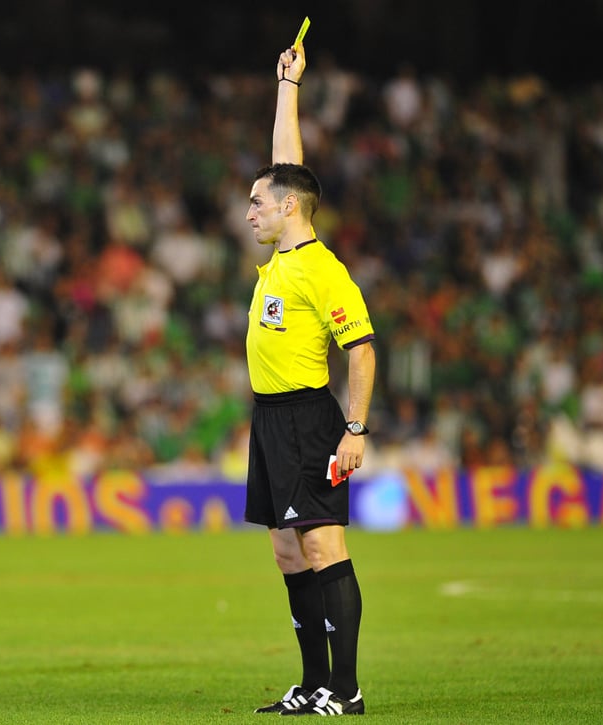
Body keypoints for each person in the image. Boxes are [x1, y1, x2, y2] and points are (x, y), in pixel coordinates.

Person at [245, 39, 374, 717]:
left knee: (322, 544)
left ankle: (346, 688)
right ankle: (314, 683)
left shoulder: (322, 268)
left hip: (306, 417)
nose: (250, 211)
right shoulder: (284, 258)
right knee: (287, 553)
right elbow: (285, 162)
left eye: (258, 202)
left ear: (290, 209)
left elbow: (363, 348)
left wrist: (354, 428)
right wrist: (288, 86)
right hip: (268, 418)